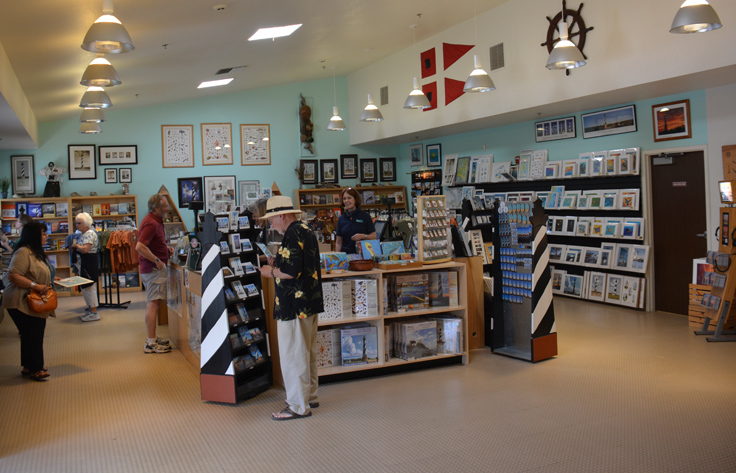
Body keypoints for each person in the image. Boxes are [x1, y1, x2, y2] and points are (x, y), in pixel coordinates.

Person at [259, 195, 324, 421]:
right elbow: (300, 263)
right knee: (307, 352)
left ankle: (297, 405)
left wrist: (270, 272)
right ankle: (310, 396)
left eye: (272, 219)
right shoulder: (305, 229)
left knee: (293, 354)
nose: (271, 224)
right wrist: (278, 262)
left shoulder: (292, 233)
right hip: (310, 301)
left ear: (282, 215)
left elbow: (290, 272)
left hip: (294, 305)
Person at [1, 222, 54, 381]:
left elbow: (36, 272)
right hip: (21, 300)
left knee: (29, 334)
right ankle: (37, 368)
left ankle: (28, 366)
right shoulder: (23, 252)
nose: (46, 237)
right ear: (34, 236)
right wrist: (35, 285)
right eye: (43, 234)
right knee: (34, 333)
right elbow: (14, 275)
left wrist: (51, 279)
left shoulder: (35, 252)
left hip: (29, 298)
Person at [135, 194, 173, 354]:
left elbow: (153, 243)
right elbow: (140, 247)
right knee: (153, 303)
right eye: (165, 206)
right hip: (153, 270)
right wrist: (157, 260)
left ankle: (153, 338)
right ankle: (150, 343)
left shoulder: (156, 220)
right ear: (156, 208)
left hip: (154, 269)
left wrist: (165, 249)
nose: (168, 209)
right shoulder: (151, 222)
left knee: (154, 302)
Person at [72, 212, 100, 322]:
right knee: (85, 287)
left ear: (86, 223)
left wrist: (76, 246)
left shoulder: (89, 233)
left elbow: (85, 249)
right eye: (76, 223)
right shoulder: (83, 233)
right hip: (85, 262)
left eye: (79, 223)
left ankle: (94, 312)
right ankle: (91, 310)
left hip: (89, 262)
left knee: (89, 287)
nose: (77, 225)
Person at [335, 187, 376, 255]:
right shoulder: (341, 219)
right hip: (346, 257)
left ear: (355, 199)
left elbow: (374, 236)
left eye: (349, 198)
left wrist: (363, 236)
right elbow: (338, 242)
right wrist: (338, 257)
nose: (346, 201)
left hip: (363, 256)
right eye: (344, 198)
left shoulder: (365, 216)